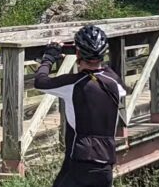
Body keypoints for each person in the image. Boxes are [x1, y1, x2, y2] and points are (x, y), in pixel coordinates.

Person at [33, 25, 126, 187]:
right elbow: (109, 75)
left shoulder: (73, 84)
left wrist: (49, 56)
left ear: (77, 53)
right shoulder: (115, 84)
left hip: (80, 161)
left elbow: (40, 82)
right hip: (106, 163)